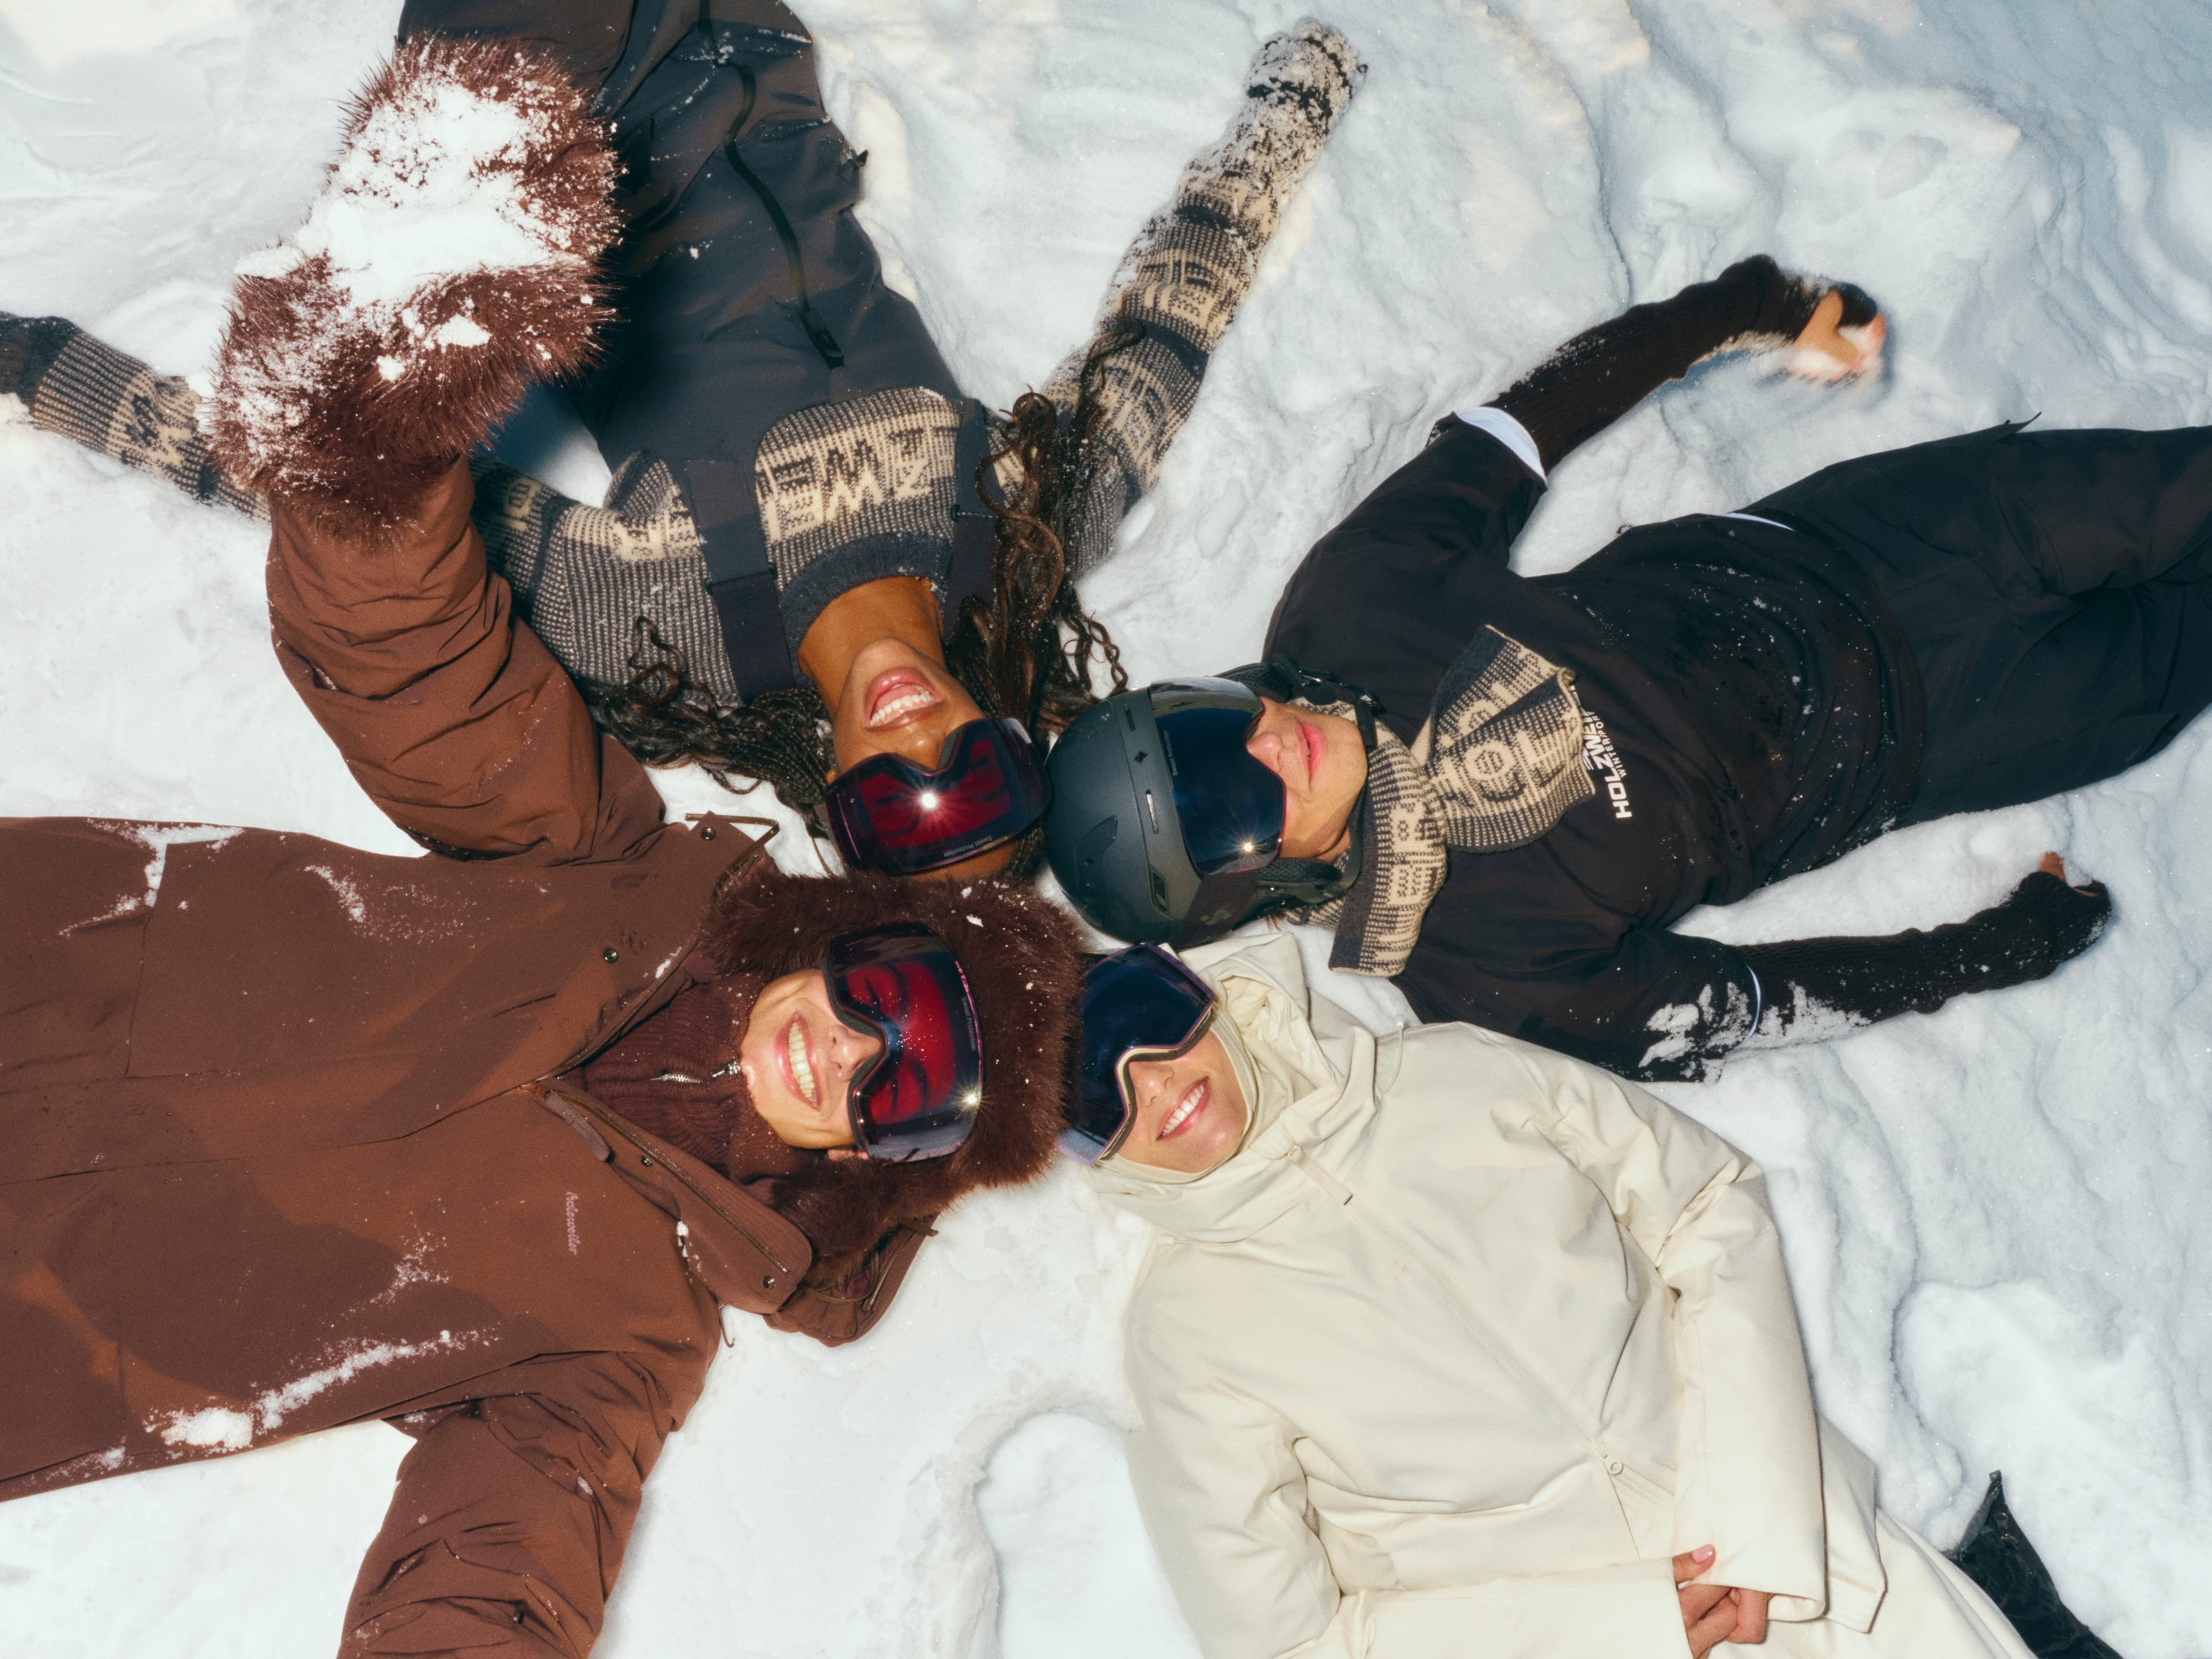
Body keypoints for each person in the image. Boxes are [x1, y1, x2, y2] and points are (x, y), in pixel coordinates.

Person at [0, 36, 1086, 1659]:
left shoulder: (625, 1336)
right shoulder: (609, 868)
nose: (854, 1053)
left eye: (911, 1086)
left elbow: (503, 1563)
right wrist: (375, 441)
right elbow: (418, 668)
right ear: (849, 937)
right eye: (898, 998)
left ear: (895, 1160)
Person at [0, 1, 1361, 878]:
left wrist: (49, 372)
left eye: (894, 809)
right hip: (751, 47)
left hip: (552, 93)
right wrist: (1294, 107)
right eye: (980, 777)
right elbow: (1167, 332)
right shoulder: (1017, 533)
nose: (920, 754)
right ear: (1015, 735)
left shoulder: (675, 618)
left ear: (836, 799)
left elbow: (357, 492)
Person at [1046, 255, 2163, 1079]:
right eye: (1229, 807)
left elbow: (1525, 425)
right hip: (1953, 730)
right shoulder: (1475, 969)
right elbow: (1758, 1003)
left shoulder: (1350, 609)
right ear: (1259, 888)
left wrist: (1755, 304)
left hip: (1872, 540)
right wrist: (1991, 951)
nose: (1260, 746)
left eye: (1202, 731)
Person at [1063, 937, 2122, 1659]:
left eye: (1141, 1017)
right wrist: (1623, 1628)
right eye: (1088, 1091)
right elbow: (1284, 1641)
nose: (1150, 1081)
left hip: (1813, 1557)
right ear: (1078, 1148)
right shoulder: (1184, 1336)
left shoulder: (1450, 1075)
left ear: (1197, 992)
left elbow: (1706, 1204)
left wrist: (1755, 1520)